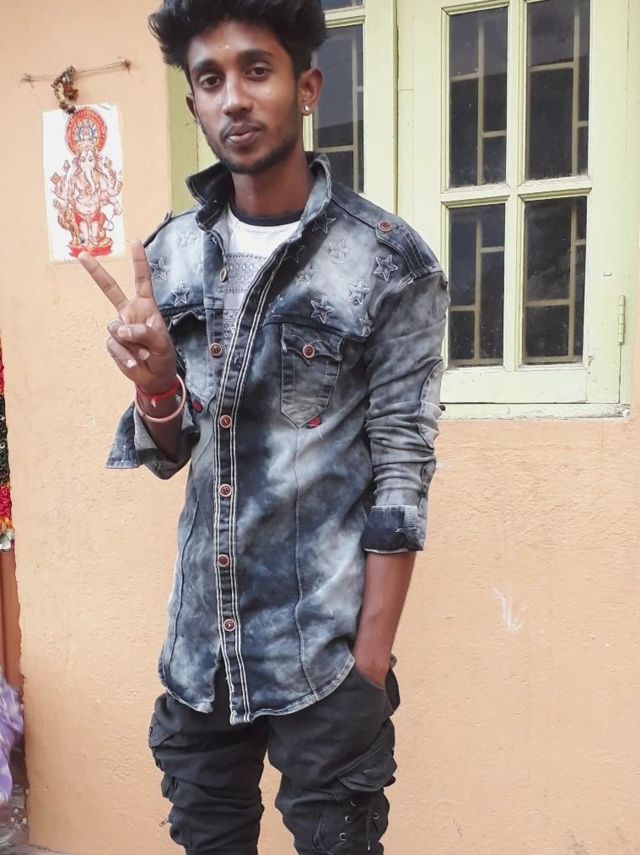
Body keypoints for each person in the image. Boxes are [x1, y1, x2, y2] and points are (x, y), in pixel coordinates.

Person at [78, 1, 449, 852]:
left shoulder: (387, 261)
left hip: (323, 658)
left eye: (256, 69)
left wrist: (370, 664)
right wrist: (157, 387)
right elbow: (173, 453)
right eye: (211, 79)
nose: (234, 98)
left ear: (306, 87)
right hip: (200, 654)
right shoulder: (170, 255)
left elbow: (403, 468)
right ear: (194, 107)